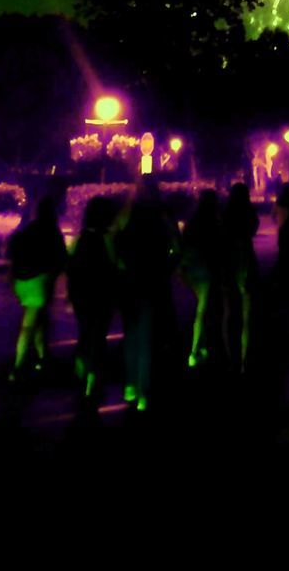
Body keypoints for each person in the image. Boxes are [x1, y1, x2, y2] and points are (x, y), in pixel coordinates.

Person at [114, 175, 180, 411]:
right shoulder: (162, 214)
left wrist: (122, 266)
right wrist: (167, 267)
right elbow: (177, 246)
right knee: (148, 337)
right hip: (154, 280)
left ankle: (130, 385)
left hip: (130, 281)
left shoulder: (127, 213)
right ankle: (144, 391)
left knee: (131, 335)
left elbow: (114, 244)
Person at [7, 194, 67, 382]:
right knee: (30, 325)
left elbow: (11, 249)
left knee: (38, 322)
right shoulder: (52, 231)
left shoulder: (28, 228)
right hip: (39, 282)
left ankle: (43, 359)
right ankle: (18, 366)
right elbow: (61, 258)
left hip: (22, 281)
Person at [67, 195, 119, 400]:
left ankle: (81, 366)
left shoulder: (79, 238)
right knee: (99, 336)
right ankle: (92, 379)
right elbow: (114, 266)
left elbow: (70, 268)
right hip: (102, 295)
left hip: (81, 295)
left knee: (85, 331)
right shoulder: (108, 239)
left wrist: (69, 296)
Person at [179, 189, 223, 368]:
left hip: (189, 269)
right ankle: (194, 351)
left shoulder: (193, 221)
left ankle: (200, 346)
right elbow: (215, 248)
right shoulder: (213, 222)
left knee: (198, 309)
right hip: (203, 270)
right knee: (202, 312)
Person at [221, 182, 259, 375]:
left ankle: (232, 360)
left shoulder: (226, 217)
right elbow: (253, 228)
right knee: (247, 317)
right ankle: (246, 359)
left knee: (231, 317)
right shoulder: (249, 216)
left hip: (229, 267)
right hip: (247, 265)